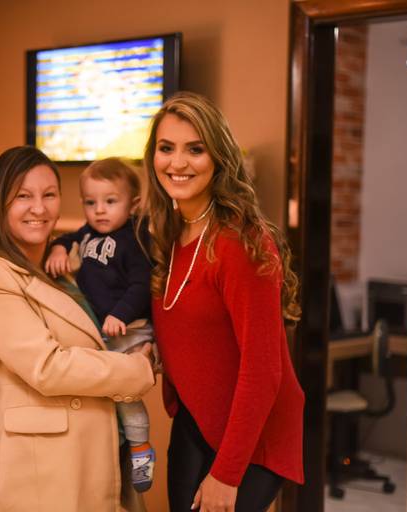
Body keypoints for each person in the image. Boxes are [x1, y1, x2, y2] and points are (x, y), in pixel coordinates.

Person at [0, 146, 156, 512]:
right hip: (44, 466)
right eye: (23, 196)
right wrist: (136, 368)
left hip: (99, 450)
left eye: (49, 195)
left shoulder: (65, 267)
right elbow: (47, 367)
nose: (39, 208)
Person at [142, 91, 305, 512]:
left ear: (218, 157)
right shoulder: (170, 230)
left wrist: (227, 474)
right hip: (198, 416)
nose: (177, 163)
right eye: (166, 148)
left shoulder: (240, 241)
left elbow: (263, 369)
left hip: (252, 432)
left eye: (195, 149)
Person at [44, 157, 156, 492]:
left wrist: (120, 314)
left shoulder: (135, 239)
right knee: (105, 394)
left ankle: (140, 449)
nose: (100, 211)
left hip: (129, 328)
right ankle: (114, 450)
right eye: (90, 203)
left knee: (126, 393)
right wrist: (58, 249)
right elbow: (69, 236)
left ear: (133, 204)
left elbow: (142, 286)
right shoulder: (89, 232)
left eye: (110, 201)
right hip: (103, 329)